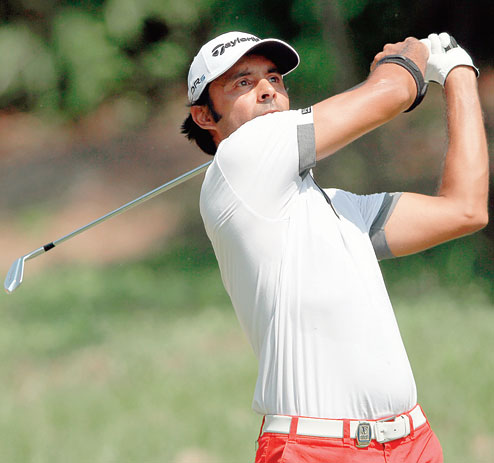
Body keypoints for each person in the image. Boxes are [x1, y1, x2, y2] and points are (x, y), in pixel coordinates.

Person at [181, 31, 488, 463]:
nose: (267, 90)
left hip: (413, 443)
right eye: (243, 83)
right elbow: (394, 91)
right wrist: (410, 53)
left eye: (274, 78)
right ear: (204, 115)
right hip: (316, 450)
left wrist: (459, 72)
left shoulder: (341, 209)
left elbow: (465, 210)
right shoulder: (238, 158)